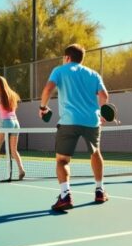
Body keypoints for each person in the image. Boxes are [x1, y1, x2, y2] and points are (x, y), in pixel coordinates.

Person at [39, 44, 109, 211]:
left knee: (62, 160)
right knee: (96, 153)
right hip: (92, 121)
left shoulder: (60, 70)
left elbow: (48, 88)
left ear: (67, 58)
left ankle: (65, 196)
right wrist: (103, 112)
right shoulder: (94, 74)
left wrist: (43, 107)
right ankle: (100, 191)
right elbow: (104, 96)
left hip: (69, 121)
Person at [0, 76, 26, 180]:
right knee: (14, 150)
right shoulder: (12, 94)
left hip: (5, 123)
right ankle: (21, 170)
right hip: (16, 123)